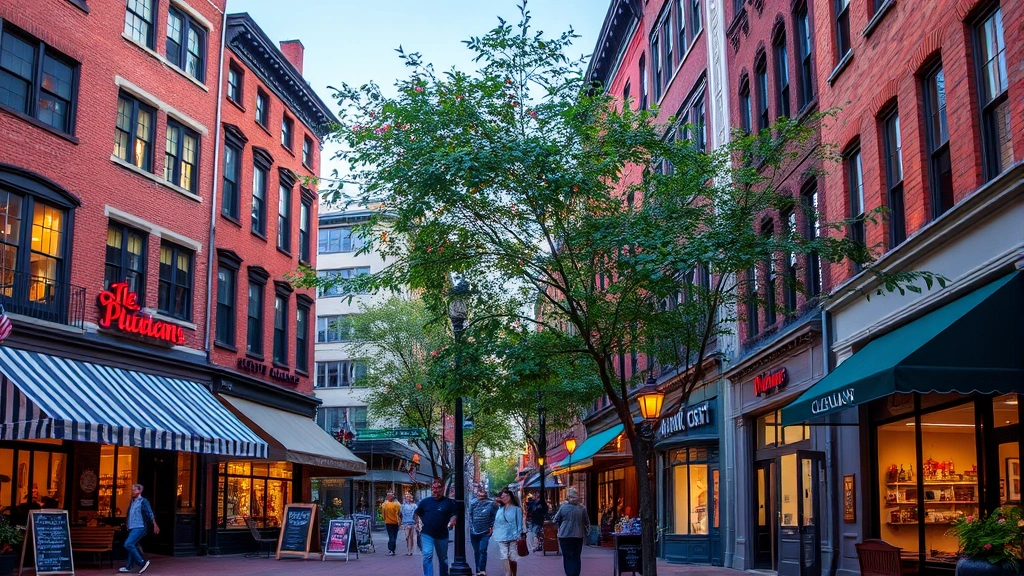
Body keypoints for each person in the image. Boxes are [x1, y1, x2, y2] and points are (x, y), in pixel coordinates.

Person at [415, 480, 457, 576]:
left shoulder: (449, 502)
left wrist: (452, 521)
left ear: (442, 488)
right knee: (427, 556)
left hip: (442, 535)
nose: (435, 490)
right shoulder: (425, 502)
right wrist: (418, 523)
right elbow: (417, 513)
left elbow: (454, 514)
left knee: (443, 558)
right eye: (433, 488)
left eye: (438, 487)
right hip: (427, 534)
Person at [120, 483, 159, 574]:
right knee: (132, 545)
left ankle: (142, 562)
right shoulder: (132, 501)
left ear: (140, 491)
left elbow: (150, 513)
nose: (133, 491)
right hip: (132, 527)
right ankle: (128, 566)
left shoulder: (143, 501)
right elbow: (129, 514)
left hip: (140, 526)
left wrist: (155, 524)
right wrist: (127, 524)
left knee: (128, 544)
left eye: (135, 490)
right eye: (132, 490)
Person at [552, 488, 590, 576]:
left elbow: (555, 519)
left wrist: (561, 525)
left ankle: (569, 573)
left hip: (564, 536)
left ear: (568, 497)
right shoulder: (582, 508)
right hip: (578, 536)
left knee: (567, 556)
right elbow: (587, 522)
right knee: (576, 556)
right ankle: (575, 574)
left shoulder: (563, 507)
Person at [493, 488, 525, 576]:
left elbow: (520, 523)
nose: (503, 498)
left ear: (510, 496)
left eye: (505, 496)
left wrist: (519, 535)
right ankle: (507, 573)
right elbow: (497, 522)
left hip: (513, 536)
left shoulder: (517, 509)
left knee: (512, 557)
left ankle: (513, 573)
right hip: (501, 536)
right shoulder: (500, 509)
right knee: (504, 556)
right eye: (502, 497)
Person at [468, 487, 498, 576]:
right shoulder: (473, 503)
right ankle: (478, 570)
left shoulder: (491, 504)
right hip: (474, 531)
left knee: (482, 550)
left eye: (482, 495)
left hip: (485, 531)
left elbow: (494, 516)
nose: (480, 497)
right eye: (479, 495)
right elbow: (470, 515)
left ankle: (482, 570)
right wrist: (471, 527)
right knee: (476, 551)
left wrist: (491, 527)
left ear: (485, 495)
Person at [381, 491, 402, 556]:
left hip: (388, 522)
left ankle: (391, 549)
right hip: (395, 522)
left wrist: (385, 519)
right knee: (394, 536)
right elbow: (399, 512)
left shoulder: (384, 504)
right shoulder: (397, 504)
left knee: (390, 536)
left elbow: (383, 514)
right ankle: (393, 549)